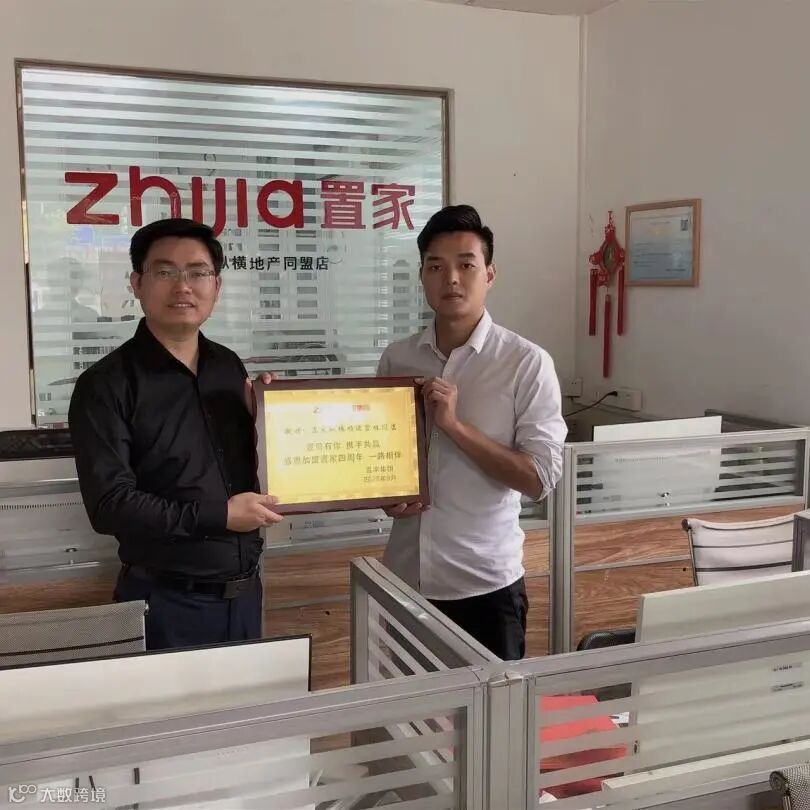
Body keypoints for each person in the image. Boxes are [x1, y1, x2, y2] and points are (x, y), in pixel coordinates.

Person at [69, 218, 282, 650]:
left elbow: (239, 467)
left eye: (198, 272)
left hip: (246, 595)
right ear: (137, 283)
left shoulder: (228, 367)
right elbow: (110, 506)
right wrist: (219, 516)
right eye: (165, 271)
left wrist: (272, 420)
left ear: (217, 286)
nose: (183, 286)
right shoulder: (106, 385)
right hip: (165, 602)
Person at [377, 205, 567, 660]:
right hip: (406, 580)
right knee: (409, 707)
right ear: (422, 277)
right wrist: (387, 495)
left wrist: (454, 427)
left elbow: (540, 479)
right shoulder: (397, 359)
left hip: (486, 587)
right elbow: (385, 458)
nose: (451, 279)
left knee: (491, 709)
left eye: (466, 265)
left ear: (489, 274)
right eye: (436, 267)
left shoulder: (526, 363)